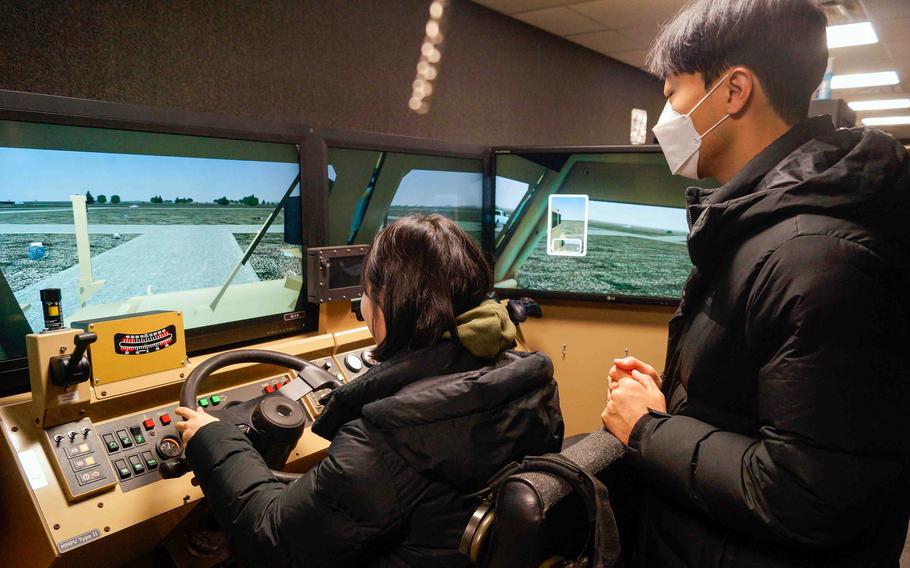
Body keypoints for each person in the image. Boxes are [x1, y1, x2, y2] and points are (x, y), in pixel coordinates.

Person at [600, 1, 910, 566]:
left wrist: (646, 429)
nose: (664, 115)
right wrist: (671, 401)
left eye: (672, 93)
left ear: (734, 91)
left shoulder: (815, 258)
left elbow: (806, 493)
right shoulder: (762, 228)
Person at [175, 213, 564, 567]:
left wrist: (215, 439)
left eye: (366, 293)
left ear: (390, 304)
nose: (362, 308)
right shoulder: (528, 377)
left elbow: (274, 536)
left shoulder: (389, 437)